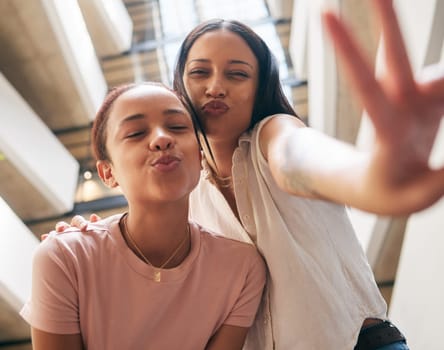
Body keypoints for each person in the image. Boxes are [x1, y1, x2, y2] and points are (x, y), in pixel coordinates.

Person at [53, 1, 444, 349]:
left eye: (237, 74)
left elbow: (302, 158)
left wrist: (372, 180)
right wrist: (90, 240)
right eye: (199, 73)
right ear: (180, 86)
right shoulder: (183, 191)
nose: (216, 87)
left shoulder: (273, 136)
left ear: (260, 88)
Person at [21, 82, 266, 350]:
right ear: (107, 173)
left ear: (199, 155)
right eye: (136, 133)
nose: (162, 139)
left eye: (177, 127)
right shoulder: (65, 258)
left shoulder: (242, 268)